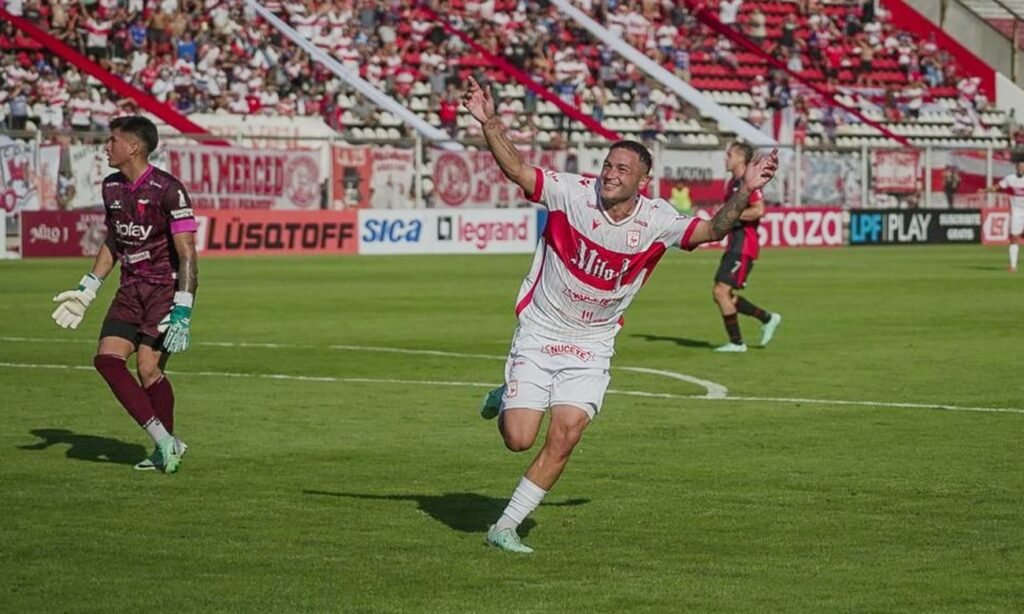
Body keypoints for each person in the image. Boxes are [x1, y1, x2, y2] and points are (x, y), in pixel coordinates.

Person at [462, 76, 779, 554]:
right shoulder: (572, 193)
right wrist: (489, 123)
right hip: (542, 329)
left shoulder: (657, 221)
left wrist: (746, 188)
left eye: (622, 169)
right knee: (519, 439)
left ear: (642, 180)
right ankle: (506, 396)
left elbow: (714, 227)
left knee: (565, 435)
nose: (610, 174)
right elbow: (520, 172)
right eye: (608, 165)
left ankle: (504, 526)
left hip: (592, 344)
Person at [50, 115, 197, 473]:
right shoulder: (111, 187)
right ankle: (166, 442)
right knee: (107, 360)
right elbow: (114, 239)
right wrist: (88, 288)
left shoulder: (169, 189)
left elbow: (188, 252)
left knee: (148, 370)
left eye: (112, 140)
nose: (106, 147)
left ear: (132, 146)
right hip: (130, 288)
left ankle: (165, 446)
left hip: (164, 289)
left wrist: (183, 309)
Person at [711, 142, 782, 352]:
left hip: (744, 246)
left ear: (741, 158)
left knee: (720, 292)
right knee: (724, 294)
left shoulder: (747, 182)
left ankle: (737, 343)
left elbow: (758, 210)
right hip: (734, 244)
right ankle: (768, 318)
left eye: (729, 154)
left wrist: (731, 214)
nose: (726, 158)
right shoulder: (731, 183)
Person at [980, 158, 1024, 272]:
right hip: (1017, 212)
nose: (1021, 169)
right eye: (1019, 166)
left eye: (1023, 167)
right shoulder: (1010, 179)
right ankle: (1013, 266)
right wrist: (985, 190)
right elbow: (997, 187)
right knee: (1014, 238)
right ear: (1016, 167)